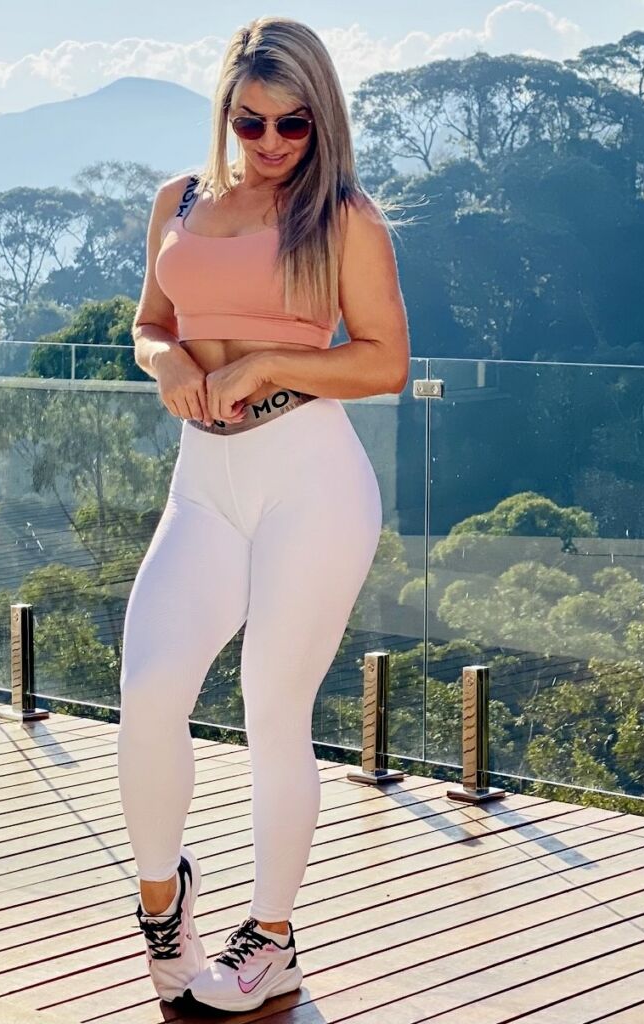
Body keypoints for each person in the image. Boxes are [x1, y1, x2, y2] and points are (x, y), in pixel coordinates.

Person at [116, 15, 410, 1014]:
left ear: (320, 120)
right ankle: (164, 905)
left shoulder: (344, 218)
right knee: (150, 690)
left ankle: (272, 940)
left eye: (295, 123)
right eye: (252, 121)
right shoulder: (178, 201)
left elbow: (385, 361)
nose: (274, 142)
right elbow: (151, 324)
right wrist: (166, 363)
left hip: (309, 479)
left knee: (271, 709)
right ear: (226, 114)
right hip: (204, 480)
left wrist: (270, 361)